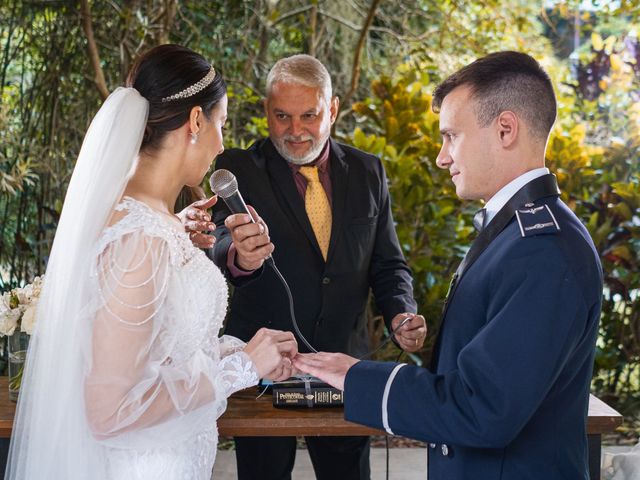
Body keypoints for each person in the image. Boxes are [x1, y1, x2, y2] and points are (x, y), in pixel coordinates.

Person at [294, 51, 604, 480]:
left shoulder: (544, 249)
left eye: (451, 136)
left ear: (506, 129)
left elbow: (484, 407)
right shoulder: (519, 232)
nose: (442, 157)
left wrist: (359, 377)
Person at [5, 44, 298, 480]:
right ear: (196, 122)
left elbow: (164, 352)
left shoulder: (147, 220)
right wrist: (242, 368)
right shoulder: (140, 237)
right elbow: (110, 409)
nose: (222, 141)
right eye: (221, 124)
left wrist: (238, 349)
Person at [183, 54, 427, 480]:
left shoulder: (370, 171)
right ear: (266, 113)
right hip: (261, 367)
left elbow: (388, 264)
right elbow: (219, 242)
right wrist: (240, 255)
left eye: (308, 115)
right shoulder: (237, 169)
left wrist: (401, 312)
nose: (295, 131)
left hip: (344, 365)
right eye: (282, 116)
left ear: (331, 110)